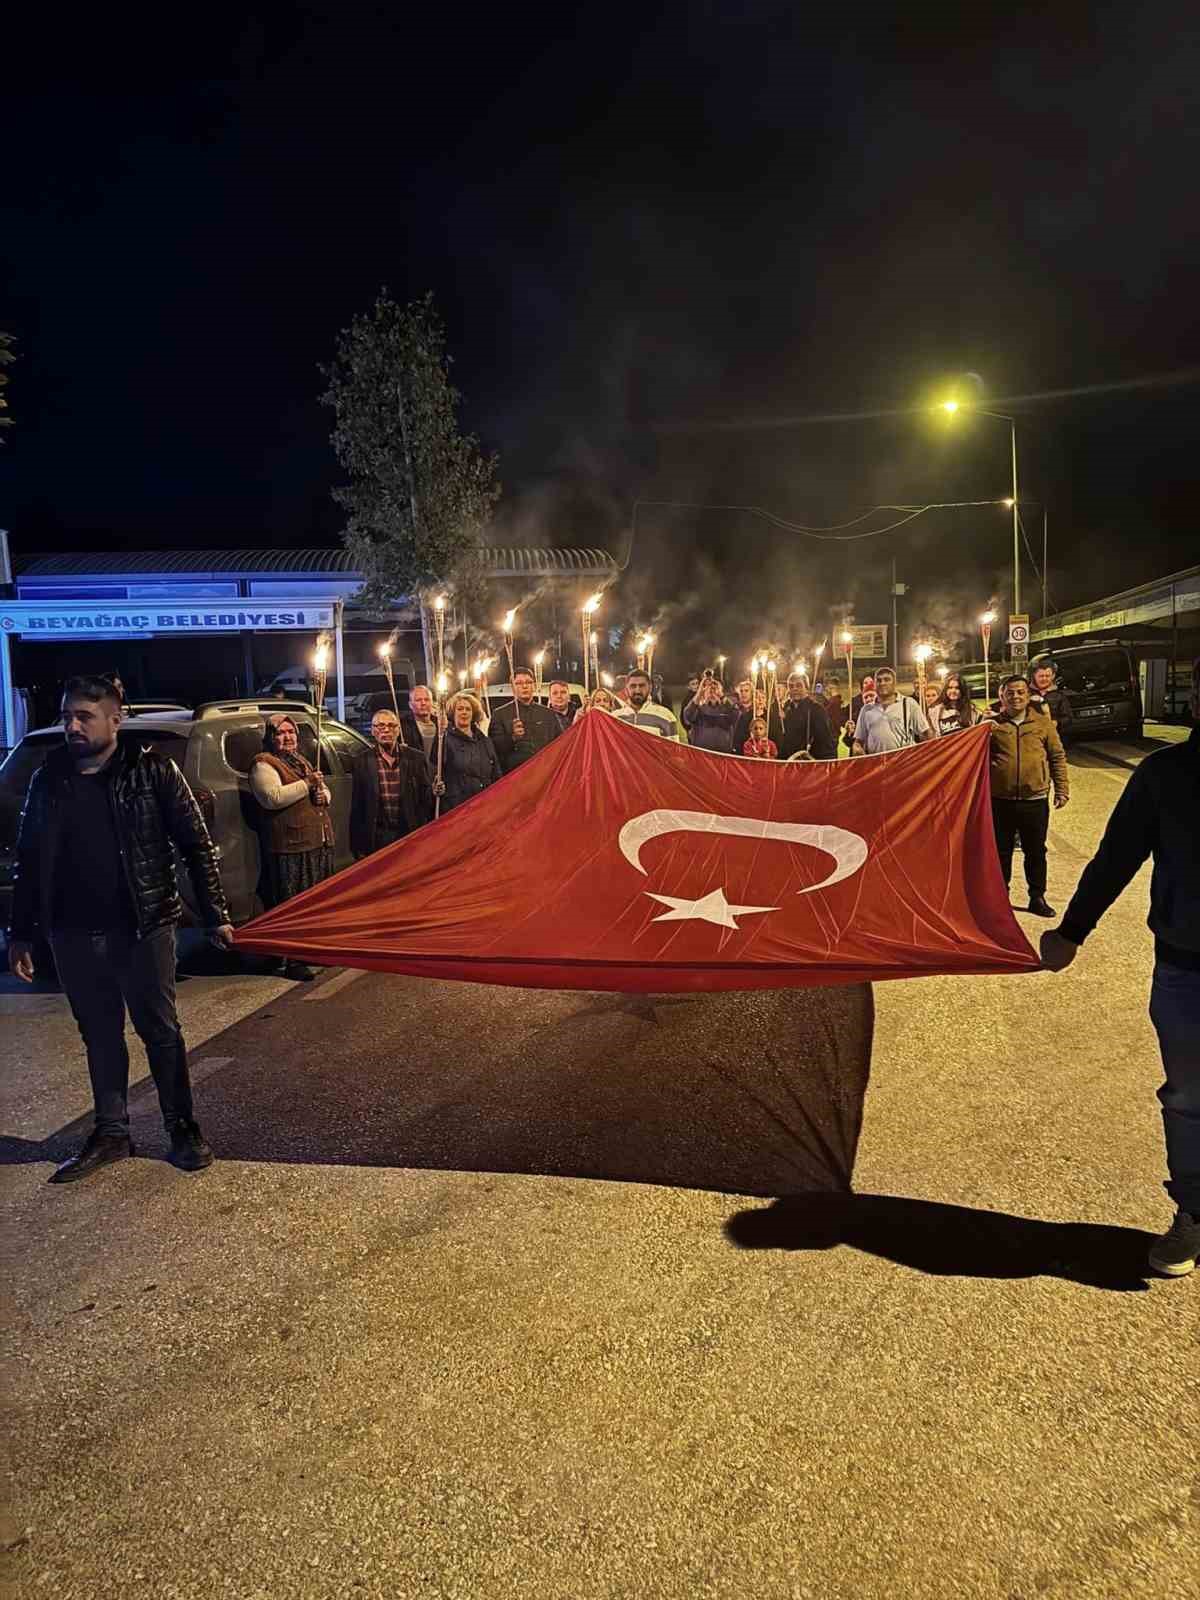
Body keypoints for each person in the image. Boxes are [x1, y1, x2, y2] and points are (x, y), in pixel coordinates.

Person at [6, 672, 233, 1182]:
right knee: (100, 1034)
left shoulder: (153, 771)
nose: (72, 726)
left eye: (84, 717)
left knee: (160, 1031)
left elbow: (196, 846)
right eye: (67, 716)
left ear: (115, 720)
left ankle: (182, 1128)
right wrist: (20, 933)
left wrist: (216, 915)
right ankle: (111, 1132)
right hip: (71, 932)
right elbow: (30, 857)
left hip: (142, 927)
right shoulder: (50, 777)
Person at [1040, 658, 1199, 1276]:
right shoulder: (1166, 774)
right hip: (1186, 969)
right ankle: (1195, 1212)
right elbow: (1116, 858)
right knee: (1189, 1099)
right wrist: (1072, 932)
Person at [249, 713, 334, 981]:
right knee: (293, 905)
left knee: (312, 903)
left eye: (291, 732)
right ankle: (293, 960)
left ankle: (311, 951)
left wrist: (323, 794)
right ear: (270, 737)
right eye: (281, 733)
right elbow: (272, 798)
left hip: (314, 842)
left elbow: (323, 789)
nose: (288, 737)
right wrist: (307, 784)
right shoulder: (263, 764)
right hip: (290, 847)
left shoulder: (301, 760)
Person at [984, 675, 1069, 917]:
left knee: (1035, 851)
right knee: (1001, 852)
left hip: (1034, 800)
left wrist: (1062, 788)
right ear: (1002, 696)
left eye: (1020, 692)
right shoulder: (993, 726)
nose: (1016, 697)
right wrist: (982, 727)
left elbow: (1057, 756)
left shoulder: (1043, 724)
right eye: (1010, 692)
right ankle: (1000, 897)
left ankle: (1037, 897)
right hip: (1001, 800)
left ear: (1028, 695)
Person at [350, 708, 435, 859]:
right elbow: (358, 805)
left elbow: (425, 799)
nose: (386, 730)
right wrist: (357, 845)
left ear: (398, 730)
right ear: (373, 731)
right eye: (380, 726)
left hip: (409, 834)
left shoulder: (416, 758)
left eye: (391, 725)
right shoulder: (362, 761)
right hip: (377, 836)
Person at [433, 692, 501, 810]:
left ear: (473, 714)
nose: (464, 712)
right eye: (460, 709)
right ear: (453, 713)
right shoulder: (444, 739)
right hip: (458, 806)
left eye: (468, 709)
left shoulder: (485, 741)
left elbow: (496, 772)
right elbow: (435, 766)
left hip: (485, 803)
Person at [487, 668, 563, 773]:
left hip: (544, 773)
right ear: (512, 687)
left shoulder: (548, 714)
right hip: (514, 774)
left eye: (528, 682)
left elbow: (560, 744)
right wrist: (512, 738)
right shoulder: (500, 714)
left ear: (534, 686)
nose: (524, 686)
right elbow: (493, 749)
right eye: (519, 683)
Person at [852, 667, 932, 754]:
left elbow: (926, 733)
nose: (882, 683)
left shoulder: (908, 703)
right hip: (876, 761)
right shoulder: (866, 709)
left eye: (887, 680)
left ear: (894, 683)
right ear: (875, 684)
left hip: (903, 759)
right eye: (879, 680)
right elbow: (858, 741)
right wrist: (857, 749)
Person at [778, 672, 837, 761]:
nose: (794, 689)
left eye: (799, 685)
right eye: (791, 686)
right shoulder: (786, 709)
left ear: (807, 688)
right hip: (789, 762)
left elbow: (826, 740)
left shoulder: (816, 709)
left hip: (809, 762)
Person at [614, 671, 686, 739]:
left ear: (650, 688)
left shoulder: (666, 716)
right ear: (626, 689)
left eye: (642, 686)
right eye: (633, 686)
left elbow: (673, 746)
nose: (637, 690)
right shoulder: (615, 717)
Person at [681, 673, 739, 753]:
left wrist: (722, 696)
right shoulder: (698, 709)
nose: (712, 691)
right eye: (709, 689)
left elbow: (736, 715)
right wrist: (699, 693)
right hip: (702, 755)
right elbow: (687, 715)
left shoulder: (727, 709)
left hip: (722, 755)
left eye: (715, 689)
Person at [1029, 659, 1074, 738]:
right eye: (1041, 676)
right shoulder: (1026, 693)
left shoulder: (1059, 696)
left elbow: (1068, 717)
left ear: (1053, 676)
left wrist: (1057, 723)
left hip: (1054, 736)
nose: (1044, 679)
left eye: (1047, 676)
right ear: (1034, 676)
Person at [732, 686, 784, 752]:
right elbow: (738, 737)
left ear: (766, 700)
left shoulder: (772, 718)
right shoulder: (745, 717)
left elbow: (777, 737)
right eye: (757, 697)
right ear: (753, 700)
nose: (760, 700)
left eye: (763, 697)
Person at [928, 673, 979, 737]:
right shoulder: (936, 711)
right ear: (946, 690)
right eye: (950, 688)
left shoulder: (971, 710)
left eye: (957, 688)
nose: (953, 691)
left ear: (962, 690)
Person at [408, 684, 440, 762]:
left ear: (432, 703)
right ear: (410, 705)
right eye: (418, 700)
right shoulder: (403, 727)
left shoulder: (441, 724)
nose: (423, 703)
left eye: (427, 699)